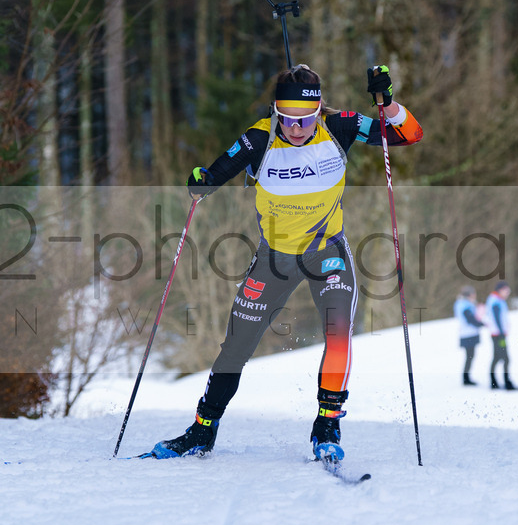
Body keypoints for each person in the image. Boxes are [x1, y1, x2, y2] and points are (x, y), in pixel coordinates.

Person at [146, 64, 423, 461]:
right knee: (235, 347)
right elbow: (216, 172)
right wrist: (201, 183)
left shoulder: (340, 126)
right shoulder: (260, 138)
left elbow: (408, 135)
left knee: (339, 335)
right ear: (276, 112)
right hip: (273, 259)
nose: (295, 128)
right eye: (287, 118)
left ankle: (327, 424)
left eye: (305, 119)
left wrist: (388, 104)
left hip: (327, 252)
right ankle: (202, 429)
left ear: (319, 110)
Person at [485, 280, 518, 390]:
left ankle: (494, 382)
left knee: (497, 357)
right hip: (498, 335)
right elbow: (497, 318)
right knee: (506, 358)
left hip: (497, 334)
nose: (508, 293)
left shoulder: (497, 299)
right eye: (506, 291)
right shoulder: (495, 300)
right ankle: (506, 382)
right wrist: (501, 333)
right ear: (500, 290)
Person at [454, 286, 484, 386]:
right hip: (468, 334)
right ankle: (466, 378)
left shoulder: (463, 303)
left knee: (469, 356)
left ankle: (466, 377)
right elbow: (470, 319)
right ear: (469, 295)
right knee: (469, 356)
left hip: (467, 333)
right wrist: (481, 324)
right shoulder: (465, 305)